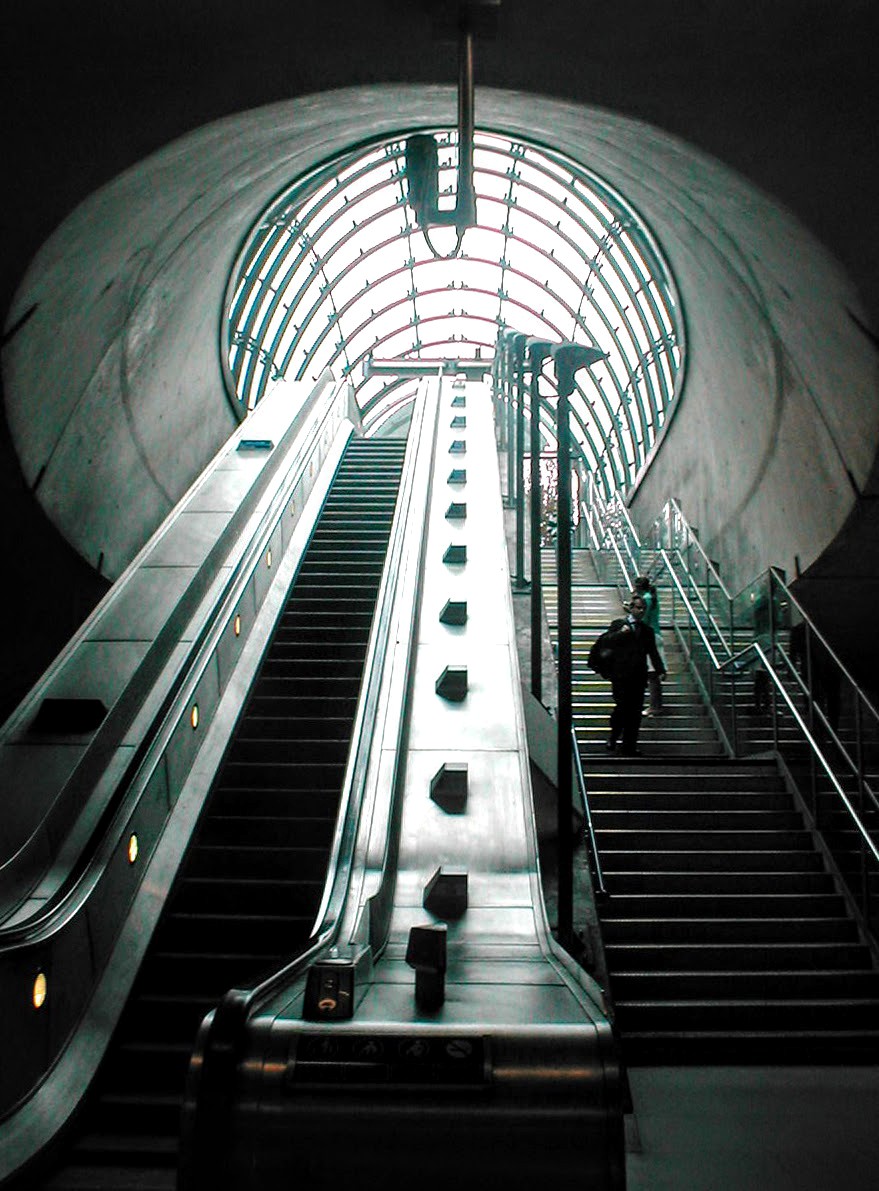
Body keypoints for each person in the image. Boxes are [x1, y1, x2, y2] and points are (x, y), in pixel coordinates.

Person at [604, 593, 666, 755]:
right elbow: (607, 642)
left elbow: (652, 652)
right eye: (638, 608)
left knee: (635, 712)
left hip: (638, 677)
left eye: (643, 609)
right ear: (631, 608)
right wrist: (620, 633)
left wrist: (660, 670)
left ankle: (629, 746)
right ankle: (614, 735)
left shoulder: (647, 631)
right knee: (622, 708)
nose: (641, 611)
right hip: (621, 677)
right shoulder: (618, 625)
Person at [633, 575, 664, 714]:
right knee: (652, 673)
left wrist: (631, 612)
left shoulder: (646, 599)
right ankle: (655, 705)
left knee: (652, 674)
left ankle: (654, 706)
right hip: (656, 633)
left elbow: (643, 618)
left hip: (650, 636)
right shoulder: (652, 597)